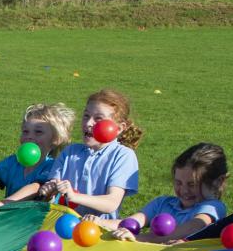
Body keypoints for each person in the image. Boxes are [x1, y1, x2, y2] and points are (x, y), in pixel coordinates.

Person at [11, 88, 142, 216]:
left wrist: (74, 196)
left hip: (98, 230)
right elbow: (53, 187)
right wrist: (49, 191)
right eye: (86, 116)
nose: (89, 123)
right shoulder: (70, 152)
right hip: (62, 225)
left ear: (119, 128)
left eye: (98, 119)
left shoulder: (123, 156)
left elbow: (111, 203)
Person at [0, 102, 73, 211]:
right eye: (25, 131)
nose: (29, 137)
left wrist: (5, 203)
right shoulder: (13, 162)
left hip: (38, 224)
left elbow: (35, 187)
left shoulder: (53, 166)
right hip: (12, 221)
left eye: (38, 132)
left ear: (55, 139)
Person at [106, 143, 229, 243]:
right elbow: (131, 223)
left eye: (192, 184)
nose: (184, 190)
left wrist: (140, 239)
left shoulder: (212, 207)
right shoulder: (163, 203)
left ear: (217, 182)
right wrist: (98, 222)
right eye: (178, 183)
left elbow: (194, 227)